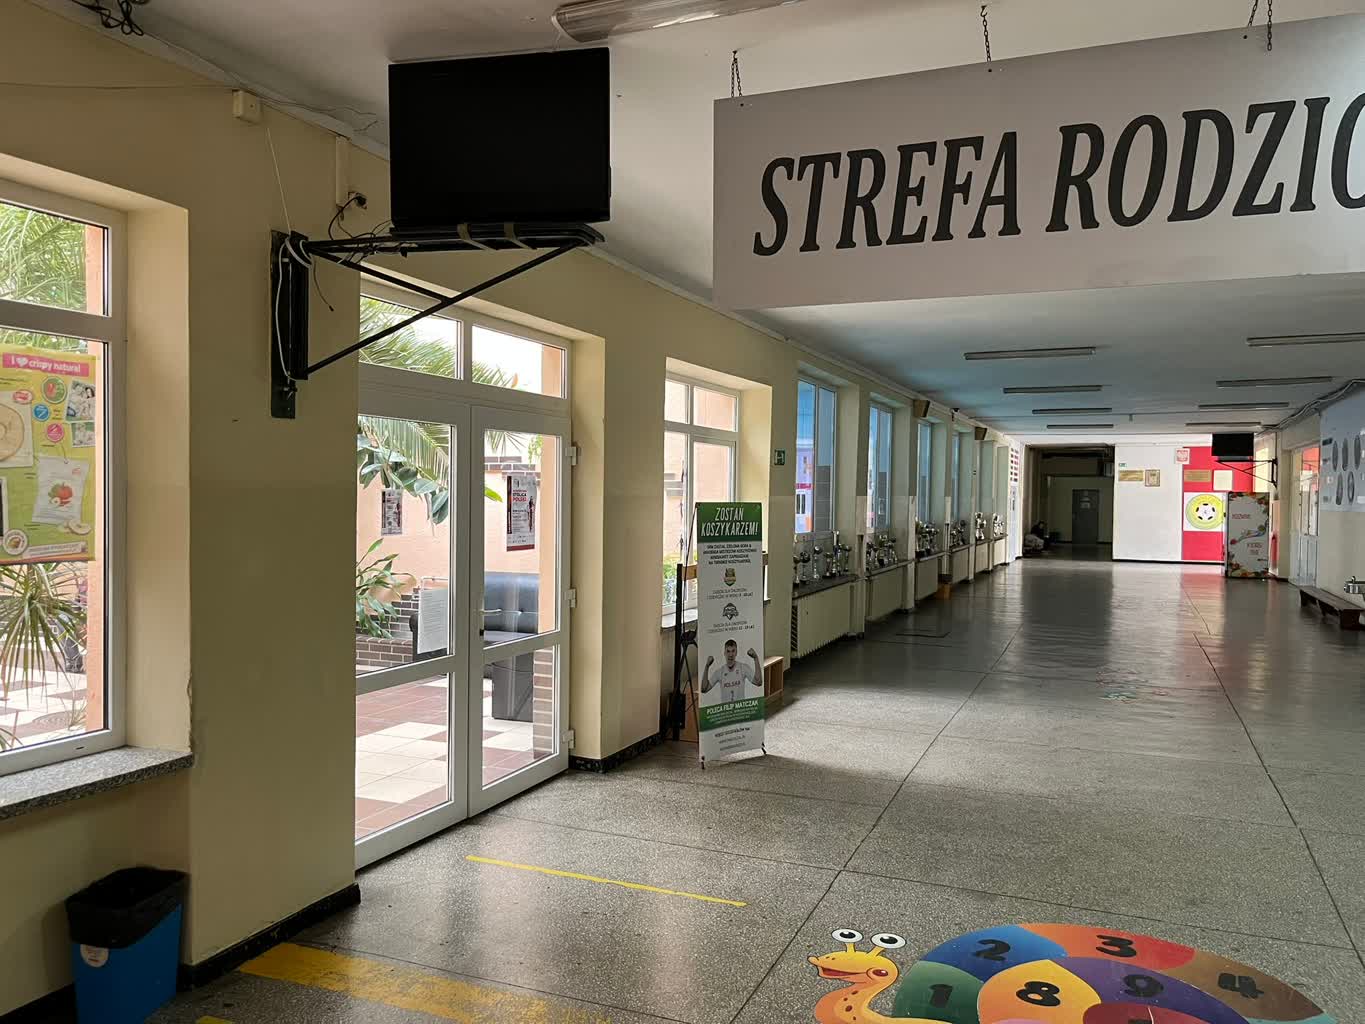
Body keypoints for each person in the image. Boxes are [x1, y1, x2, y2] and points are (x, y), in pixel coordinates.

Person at [701, 639, 761, 703]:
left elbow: (758, 682)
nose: (730, 654)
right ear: (724, 653)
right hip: (726, 709)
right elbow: (704, 689)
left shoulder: (743, 667)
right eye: (728, 651)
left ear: (736, 653)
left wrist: (755, 658)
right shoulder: (720, 672)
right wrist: (707, 666)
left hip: (740, 708)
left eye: (733, 651)